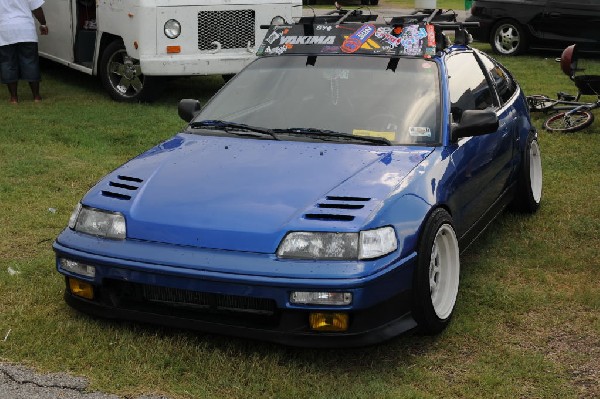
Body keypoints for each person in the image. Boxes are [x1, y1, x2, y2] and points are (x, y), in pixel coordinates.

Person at [0, 0, 48, 103]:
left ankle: (14, 98)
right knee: (30, 61)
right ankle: (36, 96)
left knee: (8, 63)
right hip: (26, 30)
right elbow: (36, 8)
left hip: (5, 30)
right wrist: (43, 24)